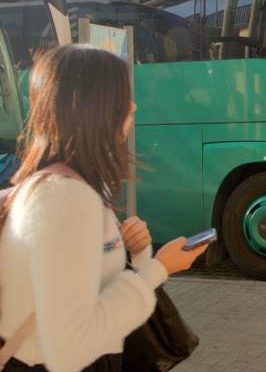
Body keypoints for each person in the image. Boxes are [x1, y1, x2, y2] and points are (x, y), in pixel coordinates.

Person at [0, 45, 206, 372]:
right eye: (121, 95)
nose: (133, 105)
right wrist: (160, 268)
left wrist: (128, 252)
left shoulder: (55, 185)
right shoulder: (66, 197)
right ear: (94, 107)